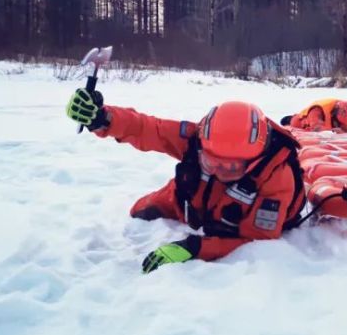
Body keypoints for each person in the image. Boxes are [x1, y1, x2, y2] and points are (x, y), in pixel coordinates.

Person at [66, 88, 305, 273]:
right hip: (186, 200)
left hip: (234, 225)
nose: (218, 172)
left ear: (254, 161)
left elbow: (256, 238)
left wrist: (194, 248)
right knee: (138, 211)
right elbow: (149, 128)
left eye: (230, 167)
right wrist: (103, 119)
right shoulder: (195, 139)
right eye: (211, 163)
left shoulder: (278, 178)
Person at [281, 98, 347, 133]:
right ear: (334, 115)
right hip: (298, 123)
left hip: (321, 124)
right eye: (339, 125)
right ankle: (288, 120)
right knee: (288, 121)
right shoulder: (317, 111)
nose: (340, 127)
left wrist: (342, 133)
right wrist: (332, 132)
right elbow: (316, 129)